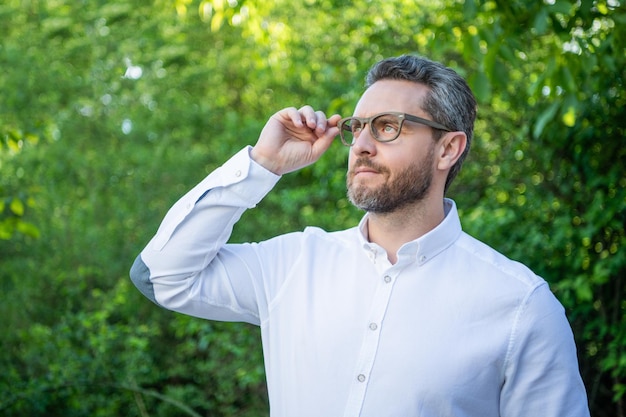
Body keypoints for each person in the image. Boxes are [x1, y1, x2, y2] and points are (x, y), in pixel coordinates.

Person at [130, 55, 590, 417]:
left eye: (388, 127)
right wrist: (261, 165)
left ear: (447, 148)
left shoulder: (521, 306)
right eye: (357, 127)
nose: (363, 145)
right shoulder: (292, 264)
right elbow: (163, 275)